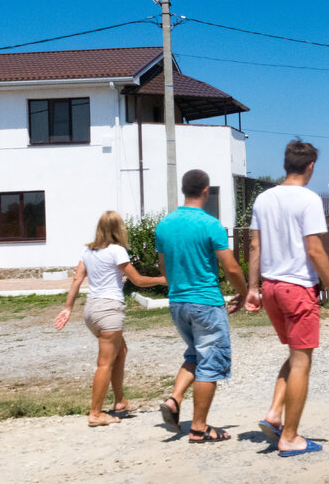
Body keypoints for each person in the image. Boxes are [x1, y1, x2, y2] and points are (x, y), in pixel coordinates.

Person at [244, 140, 329, 457]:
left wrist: (252, 287)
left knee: (294, 355)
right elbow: (314, 249)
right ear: (311, 167)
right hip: (297, 289)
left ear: (285, 164)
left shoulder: (263, 199)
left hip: (271, 288)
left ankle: (274, 414)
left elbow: (255, 247)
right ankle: (290, 437)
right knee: (302, 361)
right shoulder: (308, 199)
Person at [154, 169, 249, 443]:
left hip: (178, 302)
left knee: (194, 354)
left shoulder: (165, 224)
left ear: (184, 190)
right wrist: (243, 293)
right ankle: (199, 427)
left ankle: (175, 398)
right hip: (205, 302)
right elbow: (230, 266)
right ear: (206, 190)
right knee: (210, 362)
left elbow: (164, 266)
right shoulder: (210, 224)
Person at [54, 211, 167, 428]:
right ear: (118, 229)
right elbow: (138, 280)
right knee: (104, 363)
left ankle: (120, 402)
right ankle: (95, 413)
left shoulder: (87, 251)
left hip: (92, 310)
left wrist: (68, 308)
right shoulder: (117, 251)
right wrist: (164, 280)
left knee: (120, 351)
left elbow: (77, 279)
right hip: (109, 310)